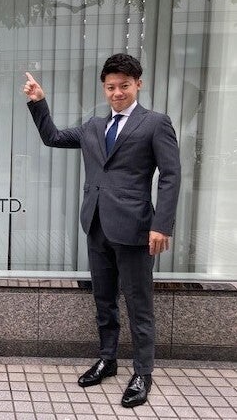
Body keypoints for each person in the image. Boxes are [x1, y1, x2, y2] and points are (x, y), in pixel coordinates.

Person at [24, 53, 181, 408]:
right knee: (104, 300)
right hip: (96, 225)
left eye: (124, 86)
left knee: (139, 304)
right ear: (104, 88)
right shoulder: (93, 126)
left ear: (138, 84)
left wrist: (161, 225)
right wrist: (38, 102)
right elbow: (52, 136)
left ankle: (143, 372)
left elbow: (171, 176)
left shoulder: (155, 123)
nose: (117, 93)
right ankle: (108, 359)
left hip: (136, 228)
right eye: (111, 87)